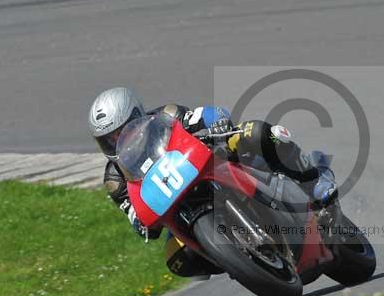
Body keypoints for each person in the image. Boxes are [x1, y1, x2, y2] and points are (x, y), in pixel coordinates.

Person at [87, 87, 338, 278]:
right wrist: (140, 223)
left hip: (215, 163)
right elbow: (135, 215)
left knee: (256, 132)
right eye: (110, 139)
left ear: (137, 115)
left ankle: (313, 180)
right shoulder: (115, 180)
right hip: (179, 206)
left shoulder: (167, 116)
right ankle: (240, 261)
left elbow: (208, 115)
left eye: (122, 130)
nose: (119, 140)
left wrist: (215, 122)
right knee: (175, 258)